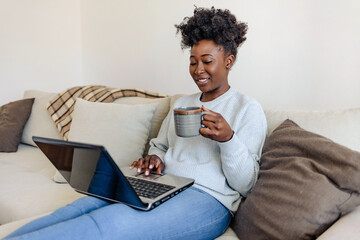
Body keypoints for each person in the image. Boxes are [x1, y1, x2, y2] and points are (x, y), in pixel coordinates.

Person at [5, 6, 267, 240]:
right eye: (193, 61)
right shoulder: (182, 103)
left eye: (207, 61)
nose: (198, 70)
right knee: (80, 207)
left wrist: (228, 140)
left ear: (228, 61)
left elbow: (246, 184)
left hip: (208, 199)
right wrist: (156, 159)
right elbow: (161, 146)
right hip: (164, 184)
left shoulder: (247, 109)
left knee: (112, 223)